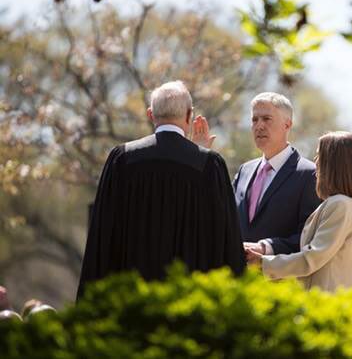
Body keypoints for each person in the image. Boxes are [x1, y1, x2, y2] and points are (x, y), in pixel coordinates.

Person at [77, 81, 245, 299]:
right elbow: (225, 240)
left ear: (150, 115)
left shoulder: (122, 159)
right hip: (189, 302)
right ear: (189, 116)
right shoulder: (209, 165)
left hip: (131, 302)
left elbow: (102, 235)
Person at [246, 131, 352, 292]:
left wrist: (263, 263)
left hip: (326, 304)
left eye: (320, 155)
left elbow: (311, 259)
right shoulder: (346, 204)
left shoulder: (340, 205)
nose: (316, 161)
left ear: (334, 163)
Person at [233, 92, 321, 257]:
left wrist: (266, 248)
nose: (259, 126)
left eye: (266, 119)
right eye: (254, 120)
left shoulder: (310, 175)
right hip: (236, 278)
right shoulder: (244, 171)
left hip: (279, 279)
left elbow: (309, 237)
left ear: (287, 125)